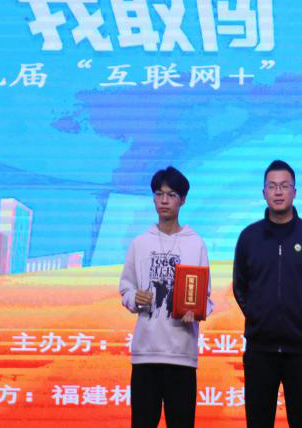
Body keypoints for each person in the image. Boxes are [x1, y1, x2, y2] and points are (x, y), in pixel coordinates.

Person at [233, 160, 302, 428]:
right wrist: (259, 316)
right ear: (264, 192)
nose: (278, 192)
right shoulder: (249, 237)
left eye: (284, 186)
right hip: (259, 349)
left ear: (294, 192)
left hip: (301, 350)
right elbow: (240, 287)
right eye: (272, 186)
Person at [120, 166, 212, 428]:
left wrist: (196, 312)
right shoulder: (140, 243)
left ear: (182, 200)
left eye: (171, 195)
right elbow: (125, 289)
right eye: (159, 194)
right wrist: (134, 298)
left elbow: (205, 298)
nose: (164, 200)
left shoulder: (196, 244)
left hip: (181, 355)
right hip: (145, 354)